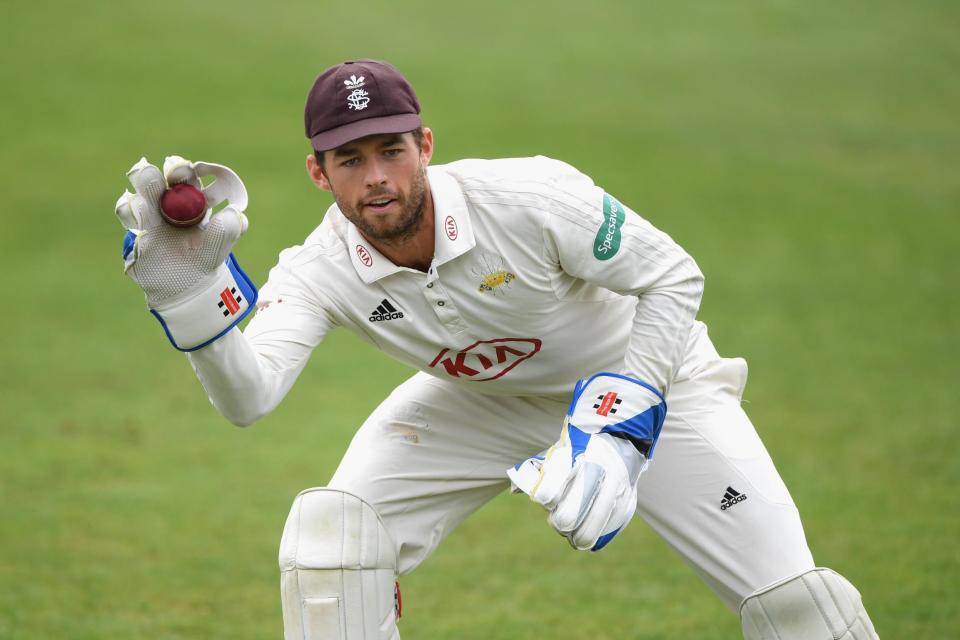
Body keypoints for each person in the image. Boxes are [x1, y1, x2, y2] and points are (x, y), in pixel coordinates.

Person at [115, 59, 879, 639]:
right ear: (320, 173)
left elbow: (673, 277)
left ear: (426, 145)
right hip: (476, 405)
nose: (377, 179)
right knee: (331, 541)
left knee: (793, 606)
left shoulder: (533, 197)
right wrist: (190, 302)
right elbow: (250, 398)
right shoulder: (319, 269)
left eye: (392, 151)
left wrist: (624, 421)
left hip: (651, 381)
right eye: (351, 161)